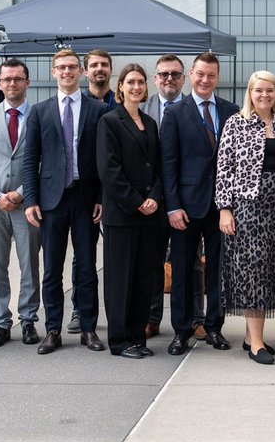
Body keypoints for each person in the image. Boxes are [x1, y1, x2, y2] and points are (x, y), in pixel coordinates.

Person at [22, 48, 111, 354]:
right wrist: (31, 199)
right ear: (53, 72)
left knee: (87, 267)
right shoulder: (40, 111)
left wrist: (100, 196)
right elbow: (30, 158)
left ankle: (88, 329)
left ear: (82, 72)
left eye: (73, 67)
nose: (67, 72)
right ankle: (53, 330)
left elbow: (103, 160)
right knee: (52, 269)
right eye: (61, 67)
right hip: (51, 200)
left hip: (85, 198)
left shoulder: (97, 110)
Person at [216, 71, 275, 365]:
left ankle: (248, 335)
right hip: (247, 208)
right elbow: (224, 169)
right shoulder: (236, 123)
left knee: (268, 271)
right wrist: (225, 209)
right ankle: (256, 343)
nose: (265, 95)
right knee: (253, 273)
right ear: (250, 93)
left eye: (270, 90)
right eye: (259, 91)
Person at [160, 52, 238, 355]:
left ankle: (214, 327)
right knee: (181, 269)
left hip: (221, 207)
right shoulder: (176, 113)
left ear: (217, 78)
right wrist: (172, 206)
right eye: (200, 74)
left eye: (211, 75)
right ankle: (181, 330)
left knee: (218, 270)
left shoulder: (232, 112)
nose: (205, 80)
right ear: (191, 75)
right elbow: (169, 164)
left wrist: (228, 205)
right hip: (186, 207)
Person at [97, 64, 167, 358]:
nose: (136, 87)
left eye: (140, 82)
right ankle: (120, 340)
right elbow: (109, 170)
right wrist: (137, 201)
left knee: (143, 278)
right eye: (130, 82)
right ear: (120, 87)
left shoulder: (150, 123)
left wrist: (153, 197)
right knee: (120, 279)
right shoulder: (110, 121)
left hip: (149, 216)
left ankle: (137, 336)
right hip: (123, 215)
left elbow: (158, 167)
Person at [0, 59, 41, 347]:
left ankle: (28, 320)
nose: (12, 84)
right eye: (7, 79)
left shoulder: (39, 115)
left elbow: (44, 160)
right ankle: (1, 322)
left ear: (27, 82)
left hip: (26, 204)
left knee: (29, 264)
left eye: (18, 79)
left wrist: (22, 193)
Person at [143, 54, 187, 339]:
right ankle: (152, 317)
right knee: (152, 262)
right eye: (163, 74)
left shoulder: (194, 109)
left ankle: (193, 319)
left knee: (190, 263)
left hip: (185, 200)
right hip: (150, 201)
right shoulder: (142, 109)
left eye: (174, 74)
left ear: (183, 78)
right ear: (155, 78)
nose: (169, 79)